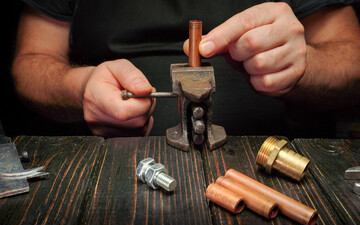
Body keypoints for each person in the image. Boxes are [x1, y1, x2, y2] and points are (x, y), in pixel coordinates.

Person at [12, 0, 360, 138]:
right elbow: (30, 62)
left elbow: (352, 57)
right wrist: (80, 86)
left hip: (274, 152)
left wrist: (306, 66)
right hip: (103, 161)